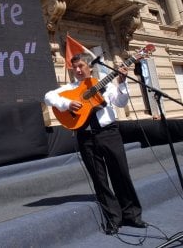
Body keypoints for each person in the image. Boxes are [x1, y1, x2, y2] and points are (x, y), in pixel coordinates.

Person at [44, 53, 147, 235]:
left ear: (90, 67)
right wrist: (67, 103)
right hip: (86, 137)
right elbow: (48, 97)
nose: (77, 70)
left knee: (121, 174)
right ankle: (113, 219)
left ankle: (132, 215)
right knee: (100, 180)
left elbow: (121, 102)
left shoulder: (104, 83)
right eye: (74, 67)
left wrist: (122, 83)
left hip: (109, 133)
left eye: (81, 66)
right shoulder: (70, 88)